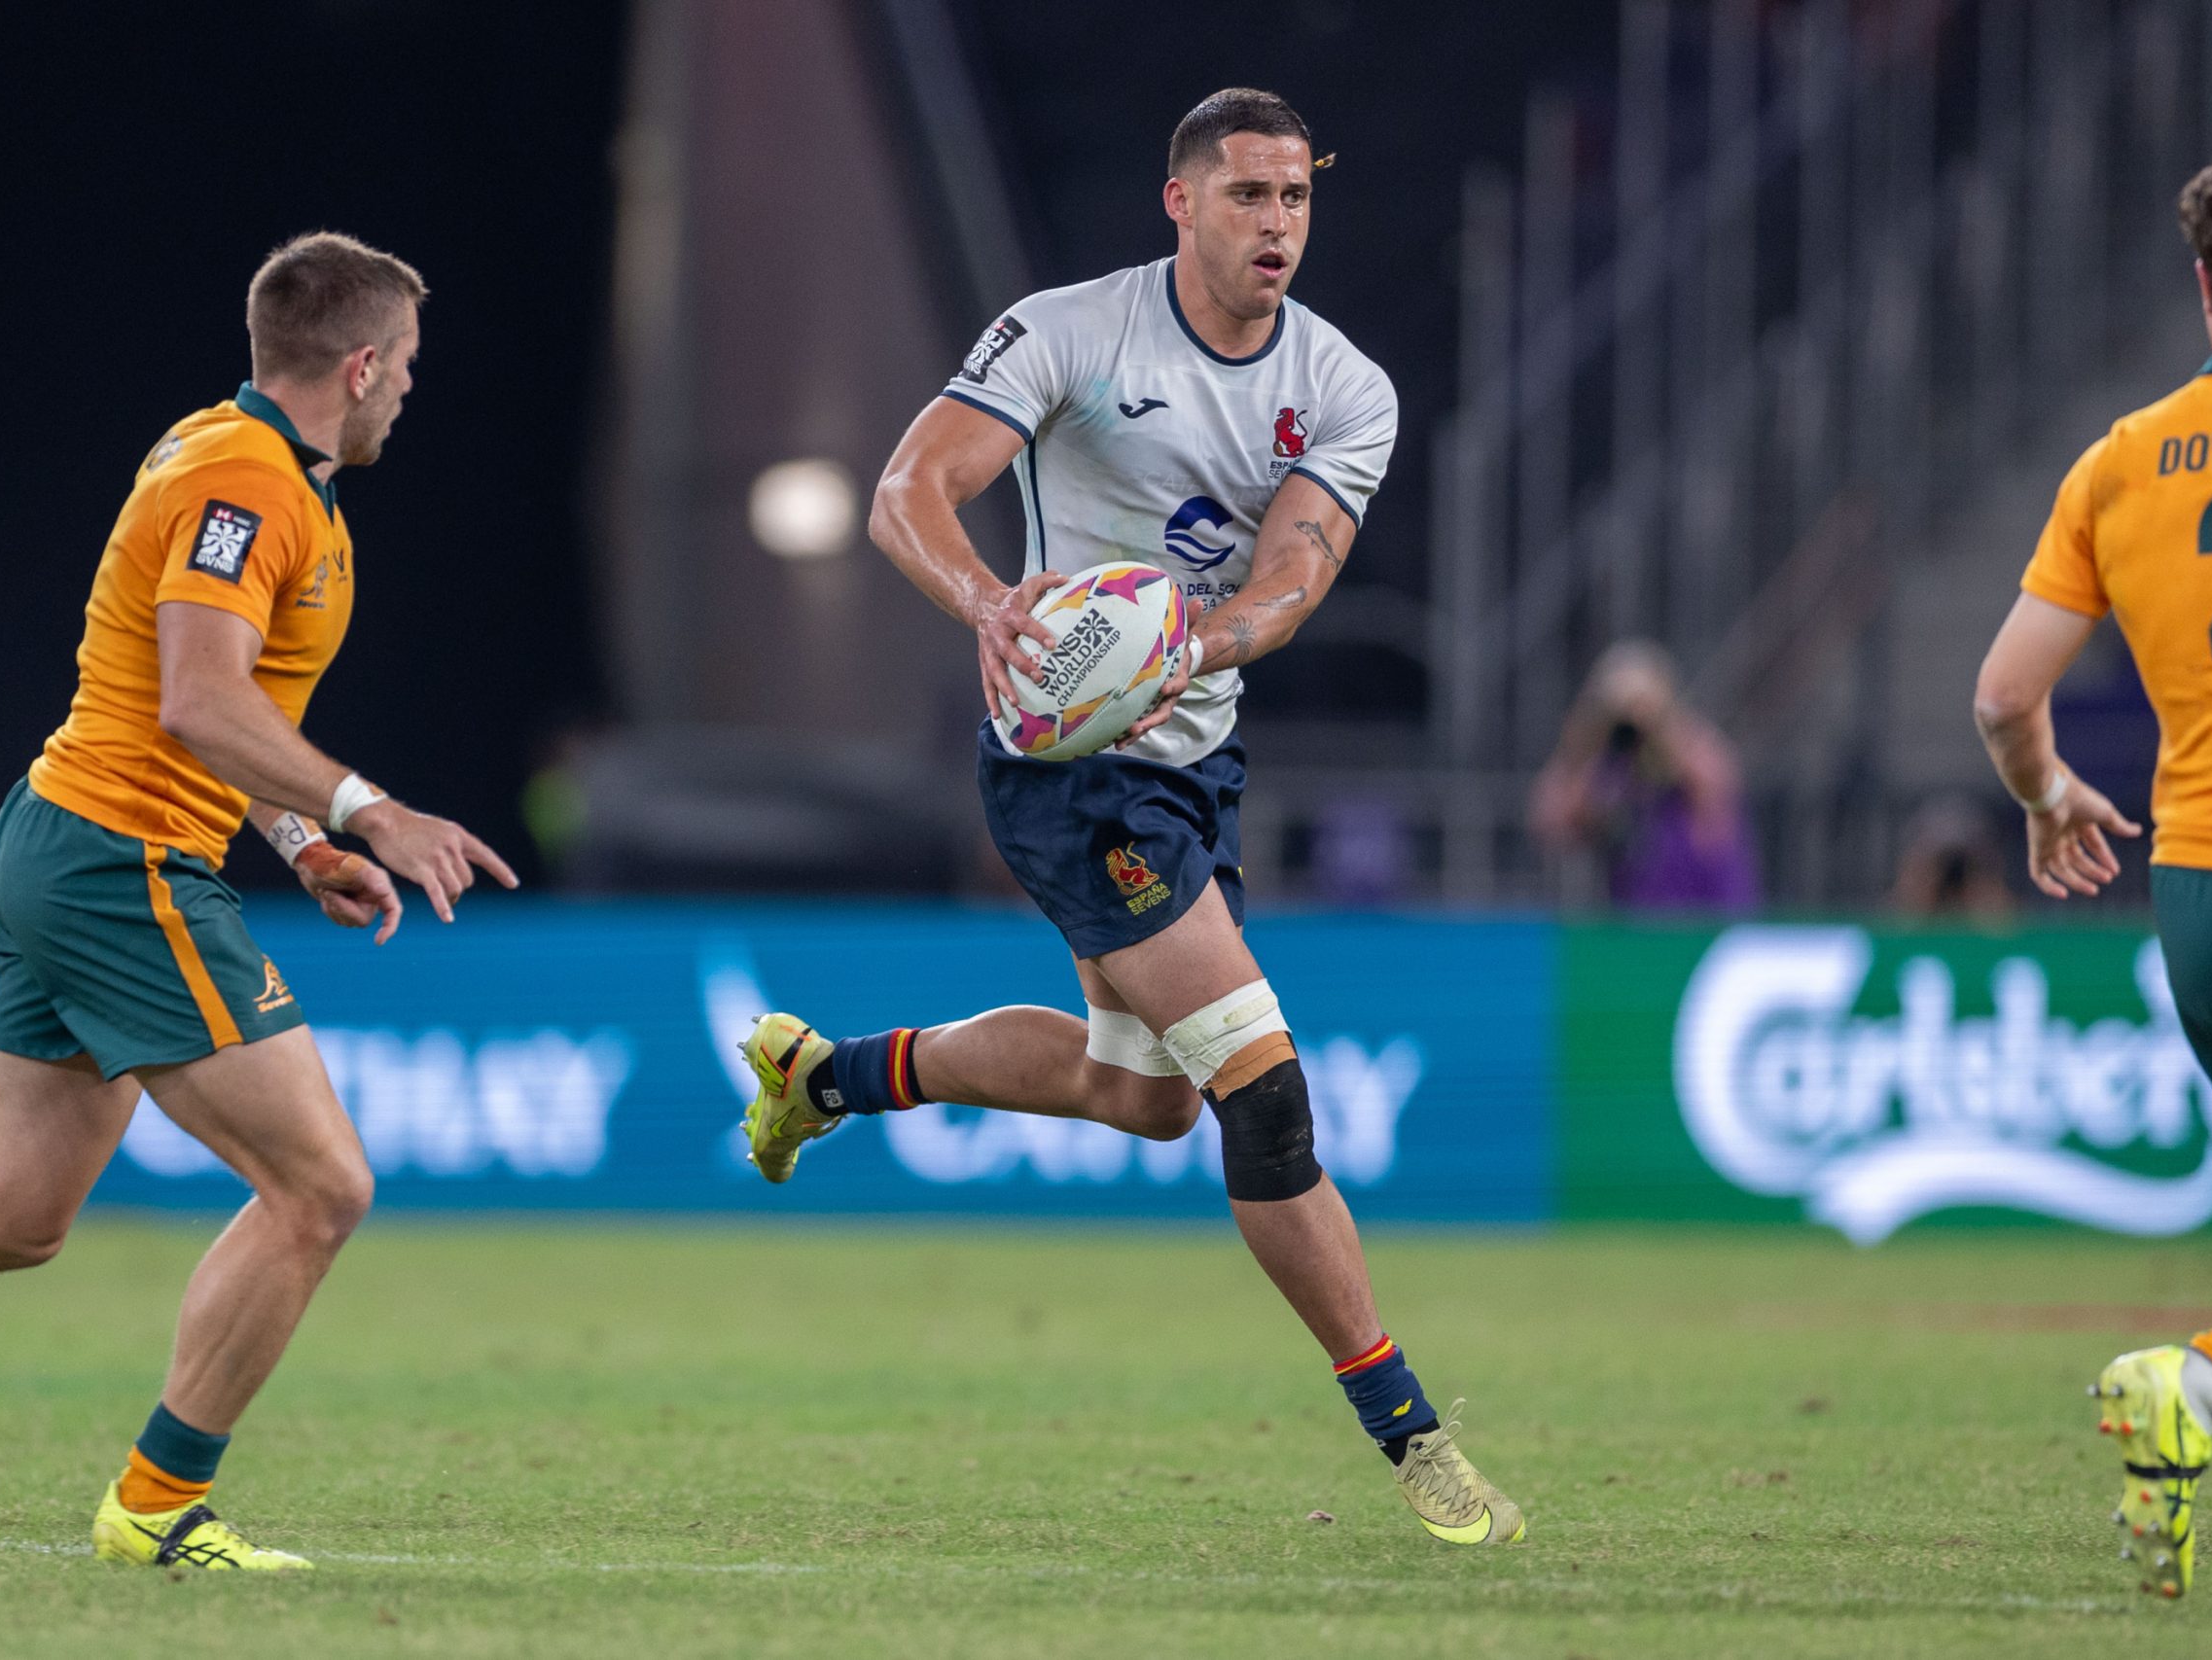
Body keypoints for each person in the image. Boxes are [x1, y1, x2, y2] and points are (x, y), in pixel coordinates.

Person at [737, 88, 1523, 1547]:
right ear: (1181, 203)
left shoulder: (1346, 387)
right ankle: (1413, 1436)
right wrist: (990, 603)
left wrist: (1192, 646)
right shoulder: (1071, 334)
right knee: (1260, 1087)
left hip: (1191, 757)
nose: (1276, 225)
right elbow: (910, 488)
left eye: (1295, 198)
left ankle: (823, 1077)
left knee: (1146, 1093)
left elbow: (1293, 576)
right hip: (1066, 760)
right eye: (1247, 197)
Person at [0, 232, 517, 1570]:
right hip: (118, 859)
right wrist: (370, 806)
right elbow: (196, 697)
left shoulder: (235, 452)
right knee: (320, 1187)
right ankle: (154, 1504)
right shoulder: (245, 485)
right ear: (358, 363)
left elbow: (209, 706)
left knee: (9, 1210)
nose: (412, 389)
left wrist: (300, 840)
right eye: (406, 365)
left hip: (69, 831)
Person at [1975, 134, 2212, 1608]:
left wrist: (2043, 798)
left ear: (2204, 279)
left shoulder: (2124, 455)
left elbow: (2001, 694)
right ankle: (2205, 1386)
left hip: (2204, 891)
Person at [1528, 640, 1757, 913]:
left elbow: (1715, 794)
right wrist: (1589, 736)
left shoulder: (1691, 747)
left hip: (1709, 923)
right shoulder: (1614, 764)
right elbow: (1551, 821)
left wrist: (1661, 729)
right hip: (1641, 926)